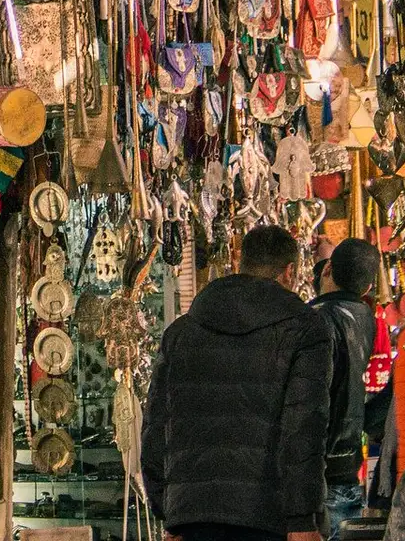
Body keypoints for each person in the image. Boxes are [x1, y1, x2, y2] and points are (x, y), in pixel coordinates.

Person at [142, 224, 331, 541]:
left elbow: (156, 425)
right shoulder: (305, 331)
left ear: (241, 264)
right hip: (267, 518)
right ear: (290, 272)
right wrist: (301, 520)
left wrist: (169, 510)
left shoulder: (180, 333)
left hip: (192, 518)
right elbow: (304, 428)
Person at [311, 239, 381, 540]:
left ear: (327, 268)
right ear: (366, 288)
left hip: (318, 468)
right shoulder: (366, 319)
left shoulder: (314, 321)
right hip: (348, 464)